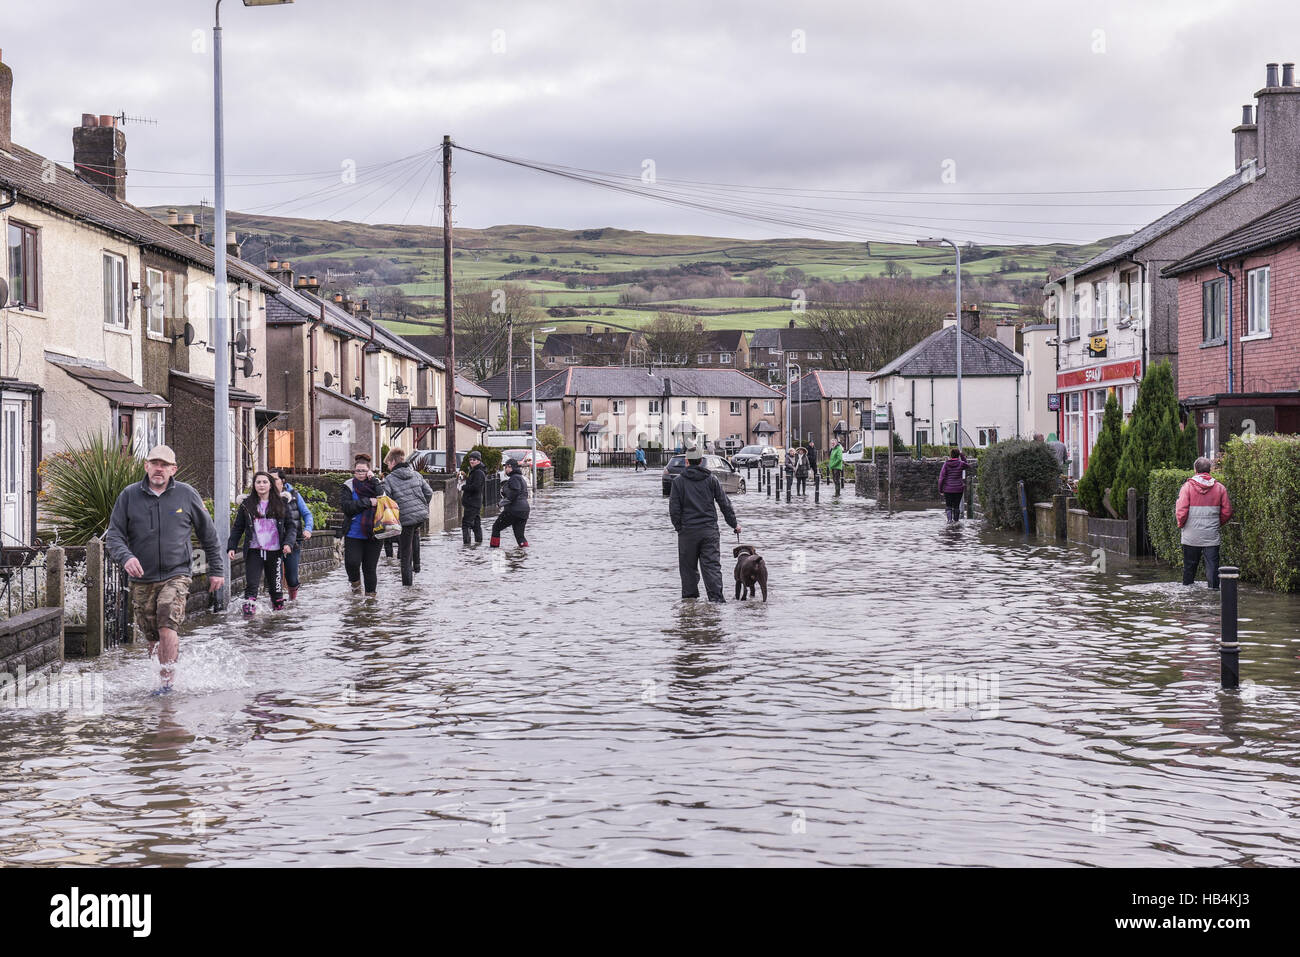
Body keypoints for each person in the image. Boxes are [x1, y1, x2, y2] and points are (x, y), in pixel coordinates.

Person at [104, 445, 224, 694]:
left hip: (176, 573)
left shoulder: (186, 494)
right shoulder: (129, 496)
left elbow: (209, 536)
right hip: (142, 577)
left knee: (167, 620)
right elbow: (114, 535)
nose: (159, 469)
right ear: (146, 466)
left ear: (173, 469)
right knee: (152, 635)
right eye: (154, 464)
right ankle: (160, 677)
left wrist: (217, 570)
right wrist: (126, 557)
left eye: (164, 465)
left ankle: (167, 683)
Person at [669, 443, 739, 602]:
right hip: (709, 531)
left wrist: (679, 527)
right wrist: (734, 525)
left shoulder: (678, 482)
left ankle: (690, 604)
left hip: (688, 533)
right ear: (701, 461)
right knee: (712, 567)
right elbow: (725, 504)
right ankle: (716, 603)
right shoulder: (711, 480)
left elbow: (674, 509)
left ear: (687, 462)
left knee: (688, 570)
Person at [227, 470, 298, 615]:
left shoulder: (281, 503)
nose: (261, 485)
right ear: (254, 485)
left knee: (276, 589)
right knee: (252, 586)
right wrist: (231, 546)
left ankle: (277, 620)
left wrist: (288, 543)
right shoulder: (247, 505)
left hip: (275, 551)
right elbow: (238, 527)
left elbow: (291, 526)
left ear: (271, 485)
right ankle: (248, 618)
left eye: (265, 482)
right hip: (254, 550)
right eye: (258, 482)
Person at [1176, 456, 1233, 589]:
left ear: (1195, 470)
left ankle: (1187, 598)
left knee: (1189, 568)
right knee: (1213, 568)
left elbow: (1181, 511)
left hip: (1191, 535)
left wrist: (1181, 524)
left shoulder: (1187, 487)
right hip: (1211, 536)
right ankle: (1213, 593)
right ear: (1210, 470)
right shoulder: (1220, 488)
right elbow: (1227, 512)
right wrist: (1216, 524)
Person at [383, 447, 433, 586]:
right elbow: (429, 492)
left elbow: (386, 499)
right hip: (420, 515)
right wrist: (422, 506)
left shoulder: (390, 479)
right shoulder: (416, 474)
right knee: (414, 533)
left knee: (404, 553)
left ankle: (407, 587)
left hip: (404, 518)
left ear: (393, 462)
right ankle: (417, 566)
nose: (387, 466)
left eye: (388, 463)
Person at [340, 453, 386, 596]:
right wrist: (367, 502)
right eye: (357, 471)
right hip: (353, 533)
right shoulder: (348, 486)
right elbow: (347, 507)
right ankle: (355, 586)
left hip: (374, 533)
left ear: (369, 471)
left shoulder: (377, 484)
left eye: (364, 471)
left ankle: (371, 602)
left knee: (370, 568)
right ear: (354, 471)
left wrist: (374, 480)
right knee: (352, 563)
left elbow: (383, 500)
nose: (360, 474)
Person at [272, 470, 313, 601]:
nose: (271, 482)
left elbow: (307, 514)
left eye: (274, 479)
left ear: (282, 480)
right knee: (274, 575)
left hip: (293, 540)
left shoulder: (294, 495)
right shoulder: (265, 496)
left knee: (292, 576)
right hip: (272, 542)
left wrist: (308, 529)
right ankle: (277, 601)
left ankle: (292, 600)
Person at [490, 458, 530, 547]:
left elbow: (514, 492)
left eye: (506, 467)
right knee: (520, 536)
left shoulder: (513, 478)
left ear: (510, 467)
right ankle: (524, 555)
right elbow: (523, 494)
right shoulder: (521, 479)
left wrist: (501, 503)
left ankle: (494, 551)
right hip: (524, 511)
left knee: (496, 528)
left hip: (513, 510)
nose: (505, 470)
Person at [937, 447, 970, 523]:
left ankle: (949, 521)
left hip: (948, 489)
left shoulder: (946, 464)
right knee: (956, 506)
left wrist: (940, 489)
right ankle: (956, 522)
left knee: (948, 506)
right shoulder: (961, 464)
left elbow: (941, 478)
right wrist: (962, 455)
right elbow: (967, 465)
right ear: (958, 455)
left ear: (951, 455)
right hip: (958, 489)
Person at [461, 450, 487, 545]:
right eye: (470, 459)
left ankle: (467, 546)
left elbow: (476, 487)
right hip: (474, 502)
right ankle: (478, 544)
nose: (472, 461)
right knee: (476, 525)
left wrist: (462, 487)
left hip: (473, 503)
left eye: (474, 459)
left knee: (466, 524)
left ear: (479, 461)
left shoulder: (478, 472)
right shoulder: (475, 471)